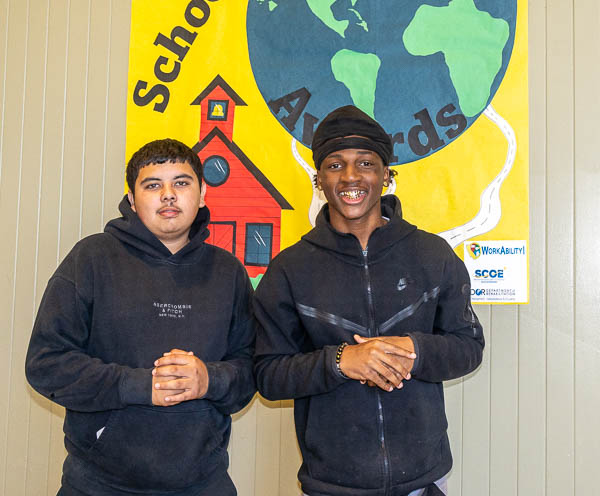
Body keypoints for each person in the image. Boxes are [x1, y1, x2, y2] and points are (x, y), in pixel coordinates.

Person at [253, 106, 484, 496]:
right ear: (319, 179)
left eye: (365, 163)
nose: (350, 177)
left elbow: (469, 347)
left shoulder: (433, 254)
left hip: (423, 478)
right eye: (334, 165)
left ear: (386, 175)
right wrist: (341, 361)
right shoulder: (289, 269)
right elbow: (268, 375)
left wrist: (414, 349)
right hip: (331, 483)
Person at [26, 138, 255, 496]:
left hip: (203, 483)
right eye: (153, 185)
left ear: (203, 192)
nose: (168, 195)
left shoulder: (229, 273)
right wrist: (139, 386)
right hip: (98, 484)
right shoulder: (91, 259)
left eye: (181, 183)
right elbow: (45, 364)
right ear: (132, 200)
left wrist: (208, 379)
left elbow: (250, 370)